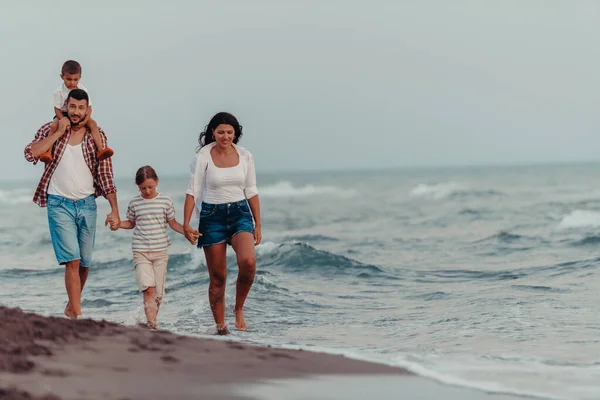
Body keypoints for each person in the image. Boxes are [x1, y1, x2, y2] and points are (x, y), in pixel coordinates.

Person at [23, 88, 120, 319]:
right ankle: (77, 317)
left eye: (81, 107)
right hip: (59, 204)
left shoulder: (96, 135)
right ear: (66, 106)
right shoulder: (51, 127)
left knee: (85, 263)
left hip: (87, 204)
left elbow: (106, 174)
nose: (76, 112)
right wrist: (58, 134)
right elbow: (30, 153)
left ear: (87, 109)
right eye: (73, 106)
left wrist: (114, 208)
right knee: (73, 261)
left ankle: (71, 306)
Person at [183, 112, 262, 335]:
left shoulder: (245, 156)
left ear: (235, 133)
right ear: (212, 133)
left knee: (248, 261)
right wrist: (187, 224)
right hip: (212, 217)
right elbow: (193, 190)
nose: (225, 136)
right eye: (220, 132)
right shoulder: (203, 156)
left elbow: (251, 190)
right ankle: (221, 327)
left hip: (239, 214)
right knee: (218, 279)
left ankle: (238, 308)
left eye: (229, 132)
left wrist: (258, 224)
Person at [115, 166, 187, 329]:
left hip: (161, 253)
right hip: (141, 252)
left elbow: (173, 223)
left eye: (150, 187)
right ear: (137, 186)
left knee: (158, 295)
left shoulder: (165, 201)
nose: (147, 191)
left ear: (157, 182)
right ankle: (152, 324)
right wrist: (118, 224)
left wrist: (187, 232)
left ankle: (152, 320)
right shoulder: (135, 203)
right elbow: (131, 223)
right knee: (148, 289)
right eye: (143, 188)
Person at [39, 60, 113, 163]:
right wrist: (63, 119)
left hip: (80, 114)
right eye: (68, 79)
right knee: (54, 126)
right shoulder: (58, 92)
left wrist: (85, 120)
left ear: (80, 78)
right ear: (62, 77)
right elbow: (57, 109)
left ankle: (101, 149)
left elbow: (89, 108)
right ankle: (48, 152)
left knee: (93, 124)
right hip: (63, 114)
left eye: (75, 79)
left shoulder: (83, 89)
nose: (72, 82)